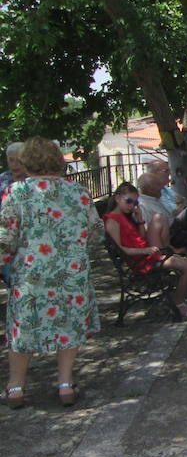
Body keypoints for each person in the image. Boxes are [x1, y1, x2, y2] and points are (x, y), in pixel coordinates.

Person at [0, 137, 103, 409]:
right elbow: (95, 233)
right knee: (68, 327)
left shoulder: (17, 191)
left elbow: (5, 238)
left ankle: (16, 388)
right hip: (71, 273)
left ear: (26, 161)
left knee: (23, 329)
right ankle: (65, 384)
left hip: (30, 276)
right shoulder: (78, 192)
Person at [104, 182, 187, 319]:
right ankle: (179, 303)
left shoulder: (125, 216)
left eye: (135, 202)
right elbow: (121, 250)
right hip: (141, 261)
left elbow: (140, 238)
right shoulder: (113, 220)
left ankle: (170, 252)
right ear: (118, 198)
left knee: (159, 217)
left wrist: (140, 220)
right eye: (129, 201)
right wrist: (146, 251)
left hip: (147, 255)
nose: (132, 206)